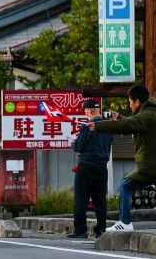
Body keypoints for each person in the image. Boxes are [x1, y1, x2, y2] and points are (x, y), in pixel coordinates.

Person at [89, 84, 156, 232]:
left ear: (137, 102)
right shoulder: (150, 113)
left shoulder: (147, 115)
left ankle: (125, 222)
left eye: (130, 102)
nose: (130, 105)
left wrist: (98, 126)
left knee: (125, 185)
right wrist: (119, 117)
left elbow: (129, 125)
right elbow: (134, 124)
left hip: (150, 166)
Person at [67, 99, 112, 239]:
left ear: (88, 111)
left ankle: (80, 230)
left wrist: (72, 143)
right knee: (100, 201)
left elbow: (79, 146)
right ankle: (101, 230)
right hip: (102, 167)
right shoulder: (108, 127)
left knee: (81, 199)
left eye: (85, 111)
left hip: (86, 166)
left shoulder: (88, 126)